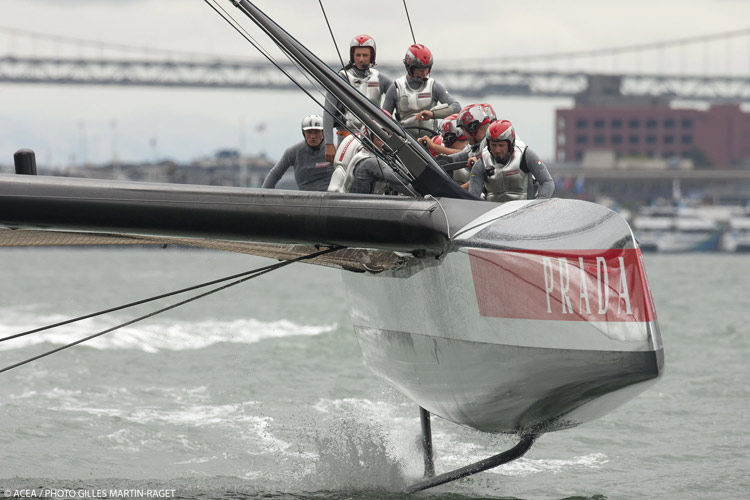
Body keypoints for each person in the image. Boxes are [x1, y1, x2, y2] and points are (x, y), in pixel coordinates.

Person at [323, 35, 393, 164]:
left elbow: (397, 95)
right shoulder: (341, 78)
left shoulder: (379, 79)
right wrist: (328, 143)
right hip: (347, 136)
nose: (361, 59)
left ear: (372, 57)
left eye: (365, 55)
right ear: (352, 56)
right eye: (358, 55)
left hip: (374, 139)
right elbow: (328, 110)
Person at [382, 44, 461, 138]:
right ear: (409, 68)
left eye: (426, 69)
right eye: (420, 70)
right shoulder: (396, 88)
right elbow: (384, 118)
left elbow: (456, 107)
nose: (424, 73)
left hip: (431, 140)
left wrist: (433, 114)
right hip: (404, 141)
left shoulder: (433, 86)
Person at [468, 119, 554, 202]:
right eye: (493, 145)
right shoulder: (482, 162)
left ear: (510, 144)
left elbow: (547, 182)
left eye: (501, 145)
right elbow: (473, 198)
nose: (497, 150)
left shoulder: (526, 155)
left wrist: (539, 205)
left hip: (525, 213)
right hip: (494, 214)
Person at [262, 114, 333, 191]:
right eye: (309, 132)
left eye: (316, 132)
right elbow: (275, 174)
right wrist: (263, 196)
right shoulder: (293, 152)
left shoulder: (334, 150)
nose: (313, 136)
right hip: (305, 199)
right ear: (303, 133)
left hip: (329, 198)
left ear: (323, 133)